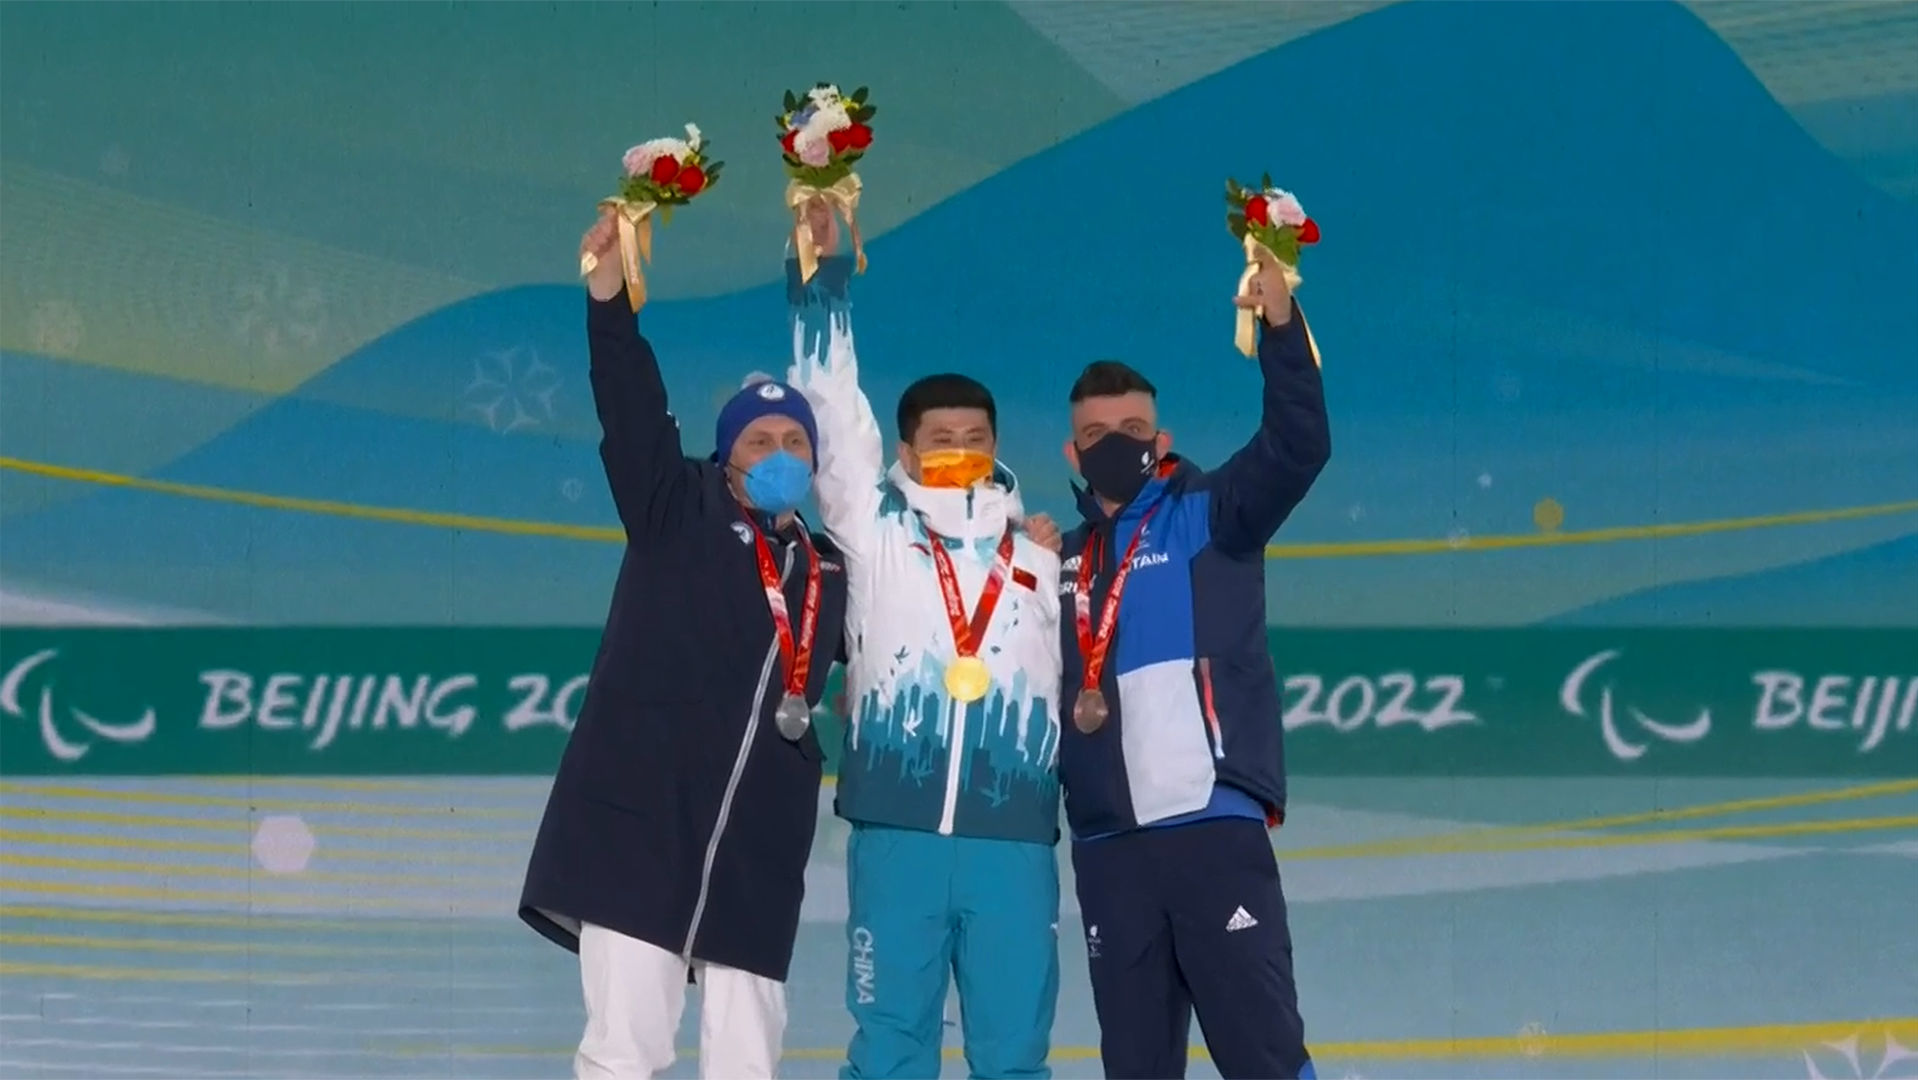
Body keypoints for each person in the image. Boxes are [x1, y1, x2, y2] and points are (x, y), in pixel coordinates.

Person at [519, 209, 851, 1080]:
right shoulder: (677, 507)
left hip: (757, 847)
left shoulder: (828, 567)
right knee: (624, 1052)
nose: (779, 453)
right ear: (725, 452)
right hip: (640, 829)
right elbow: (630, 407)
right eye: (759, 440)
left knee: (747, 1061)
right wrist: (608, 298)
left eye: (795, 442)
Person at [784, 200, 1065, 1080]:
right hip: (896, 833)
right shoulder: (876, 534)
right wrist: (821, 285)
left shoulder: (1040, 558)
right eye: (941, 440)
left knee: (1014, 1054)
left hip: (1013, 839)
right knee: (890, 1048)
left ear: (998, 445)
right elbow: (832, 415)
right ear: (906, 451)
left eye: (975, 439)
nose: (960, 452)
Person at [1053, 243, 1330, 1080]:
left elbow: (1299, 445)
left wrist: (1280, 324)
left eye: (1132, 431)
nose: (1115, 444)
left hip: (1212, 830)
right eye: (1095, 435)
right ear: (1071, 453)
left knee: (1264, 1057)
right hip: (1109, 848)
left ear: (1161, 439)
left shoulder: (1215, 513)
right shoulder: (1057, 561)